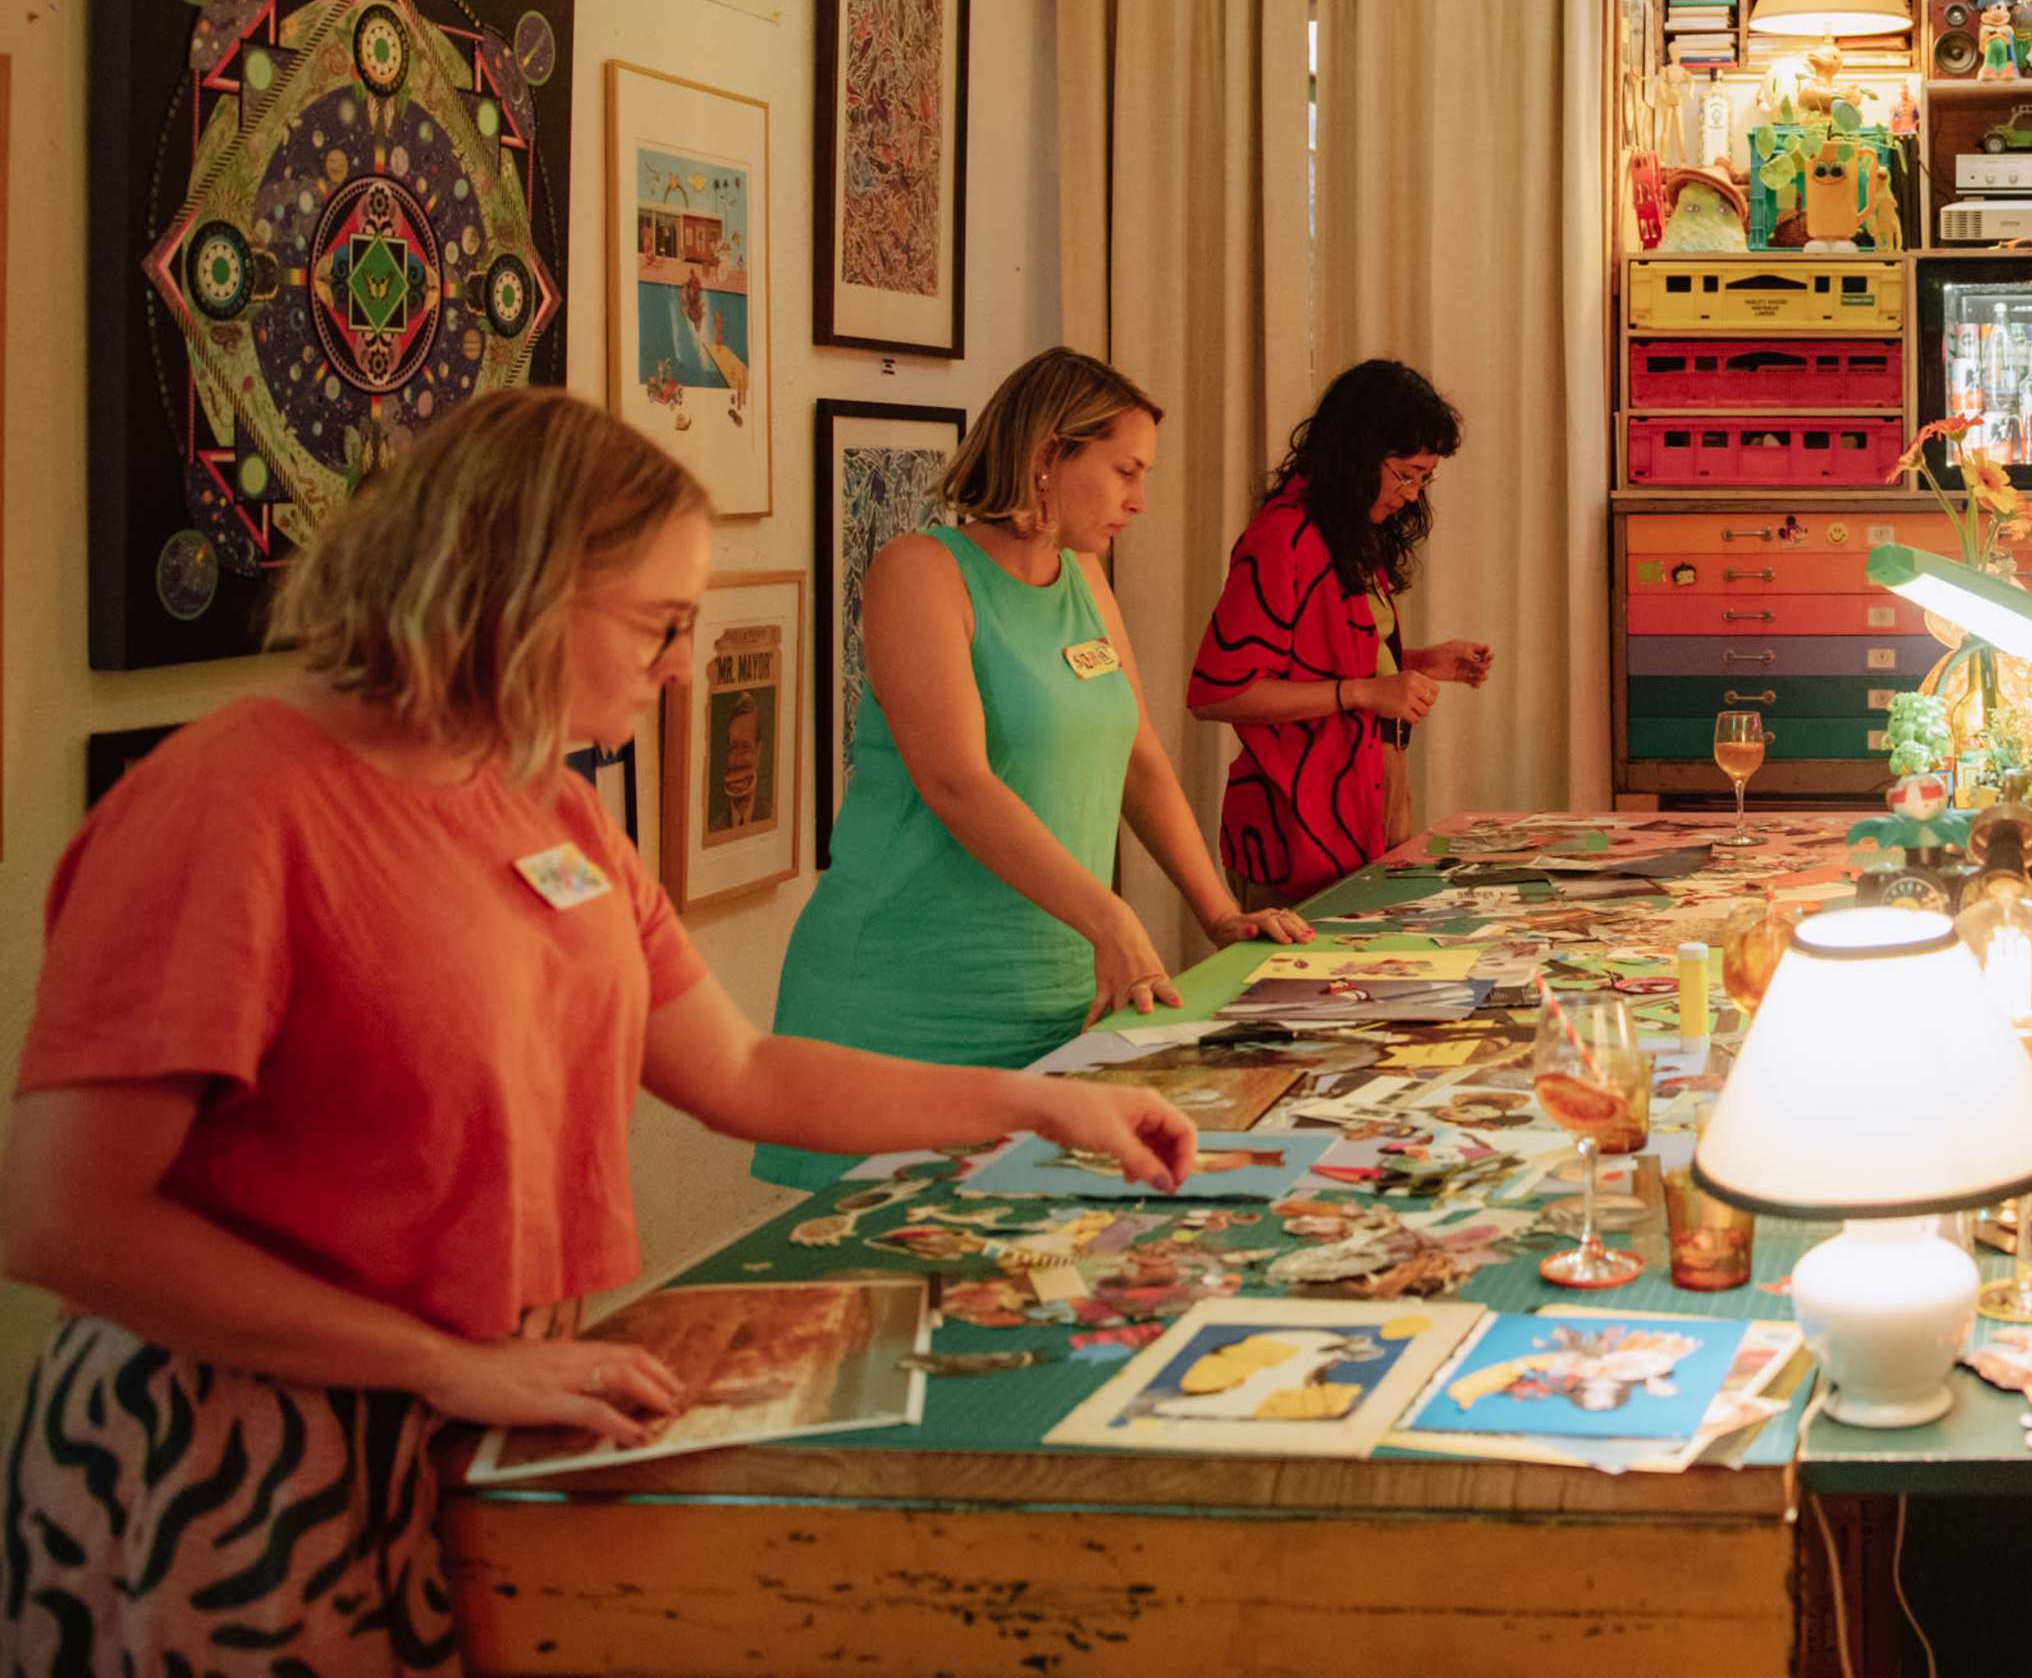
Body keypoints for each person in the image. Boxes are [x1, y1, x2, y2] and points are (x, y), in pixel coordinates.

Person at [1, 393, 1193, 1678]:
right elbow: (64, 1217)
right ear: (512, 587)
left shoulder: (549, 808)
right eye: (659, 623)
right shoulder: (236, 800)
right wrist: (441, 1362)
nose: (681, 666)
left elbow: (742, 1069)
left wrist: (1041, 1104)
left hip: (479, 1409)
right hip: (238, 1459)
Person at [762, 350, 1298, 1185]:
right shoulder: (921, 570)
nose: (1139, 500)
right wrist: (1111, 918)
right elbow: (956, 780)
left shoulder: (1083, 577)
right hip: (906, 1003)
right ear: (1049, 454)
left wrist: (1221, 915)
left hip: (1056, 999)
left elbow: (1138, 757)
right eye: (1124, 470)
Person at [1191, 360, 1494, 911]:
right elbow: (1219, 693)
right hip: (1295, 833)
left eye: (1425, 479)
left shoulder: (1348, 535)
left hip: (1361, 818)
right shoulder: (1282, 538)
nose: (1412, 494)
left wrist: (1417, 663)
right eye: (1405, 474)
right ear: (1358, 453)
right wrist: (1363, 692)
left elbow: (1325, 659)